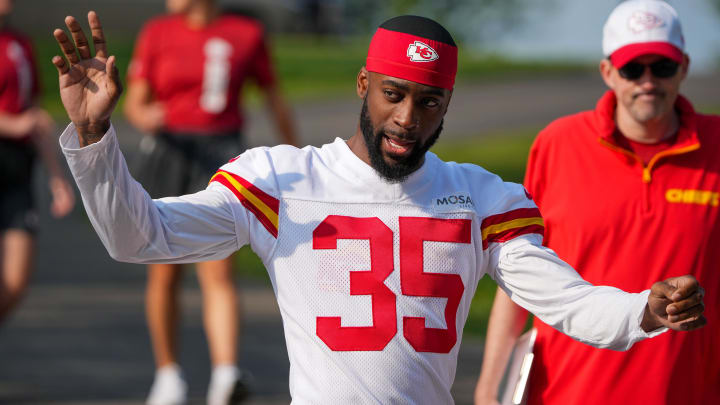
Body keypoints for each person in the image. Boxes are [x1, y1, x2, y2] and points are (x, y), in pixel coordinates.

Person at [52, 12, 707, 404]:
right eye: (394, 93)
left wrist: (640, 308)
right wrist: (94, 138)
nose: (407, 118)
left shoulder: (482, 198)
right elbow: (138, 237)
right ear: (363, 84)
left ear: (447, 104)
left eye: (428, 102)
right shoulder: (282, 179)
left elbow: (566, 301)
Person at [474, 1, 719, 404]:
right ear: (607, 72)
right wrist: (488, 388)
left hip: (687, 391)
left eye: (662, 67)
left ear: (685, 68)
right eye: (632, 69)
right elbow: (517, 271)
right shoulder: (558, 144)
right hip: (565, 391)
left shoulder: (716, 146)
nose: (648, 81)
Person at [122, 0, 297, 404]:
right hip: (170, 151)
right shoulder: (158, 32)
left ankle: (225, 375)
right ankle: (168, 377)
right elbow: (135, 101)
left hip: (221, 155)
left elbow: (275, 98)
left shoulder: (246, 33)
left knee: (217, 270)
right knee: (163, 271)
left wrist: (299, 160)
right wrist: (145, 115)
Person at [0, 0, 74, 324]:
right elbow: (21, 121)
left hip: (17, 168)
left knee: (16, 280)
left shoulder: (19, 43)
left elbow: (34, 115)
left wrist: (57, 178)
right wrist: (12, 124)